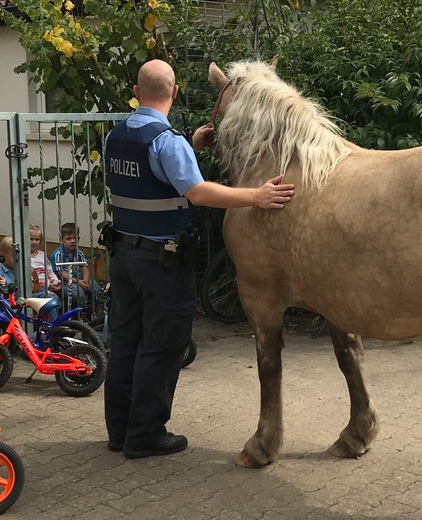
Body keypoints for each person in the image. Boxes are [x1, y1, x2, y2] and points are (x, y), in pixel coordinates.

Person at [103, 58, 294, 460]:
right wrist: (256, 196)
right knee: (162, 345)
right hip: (161, 262)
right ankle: (146, 435)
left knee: (124, 343)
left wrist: (190, 146)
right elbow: (198, 192)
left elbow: (151, 176)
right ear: (174, 93)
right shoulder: (167, 141)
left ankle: (120, 431)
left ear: (137, 93)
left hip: (122, 255)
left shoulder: (116, 136)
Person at [51, 223, 103, 313]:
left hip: (79, 279)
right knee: (78, 293)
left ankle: (91, 311)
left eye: (74, 238)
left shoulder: (78, 253)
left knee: (95, 288)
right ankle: (78, 314)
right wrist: (78, 282)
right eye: (68, 238)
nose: (72, 241)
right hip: (64, 282)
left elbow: (85, 269)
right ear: (62, 240)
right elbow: (59, 273)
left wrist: (85, 281)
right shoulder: (57, 254)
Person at [29, 224, 61, 302]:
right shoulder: (24, 256)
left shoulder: (42, 255)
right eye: (31, 239)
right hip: (36, 287)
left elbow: (49, 271)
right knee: (52, 298)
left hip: (48, 284)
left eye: (37, 240)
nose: (34, 242)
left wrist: (55, 281)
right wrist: (48, 285)